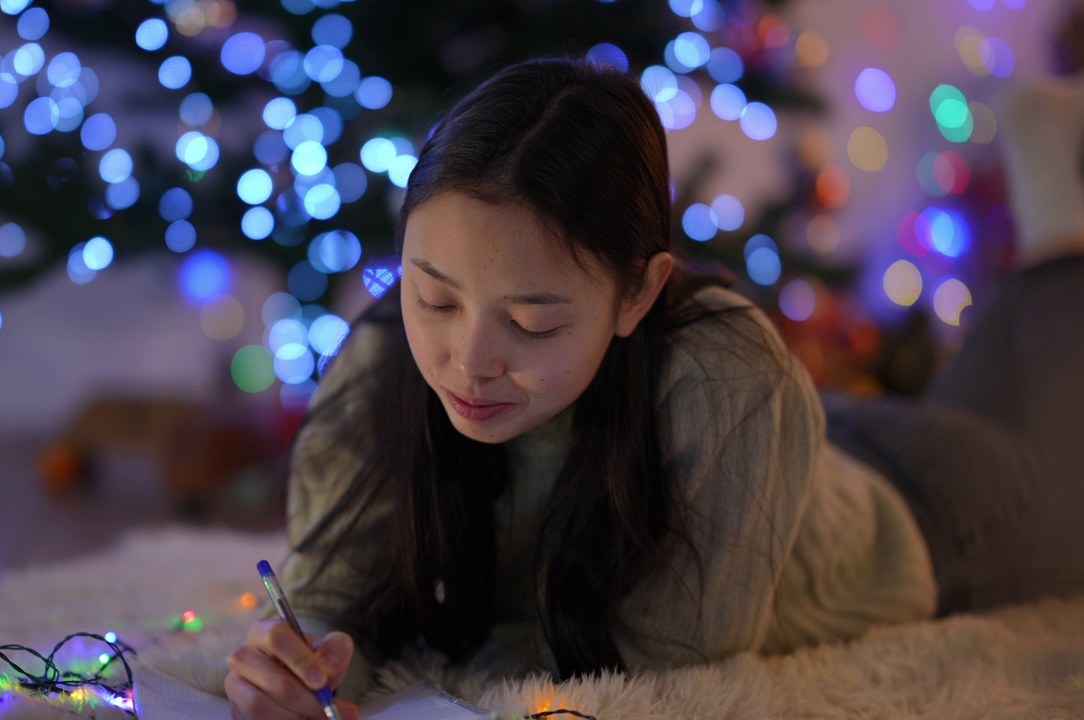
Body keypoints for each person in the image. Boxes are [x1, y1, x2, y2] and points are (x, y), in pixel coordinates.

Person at [223, 57, 1084, 720]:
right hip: (799, 445)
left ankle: (1058, 223)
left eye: (532, 324)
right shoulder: (379, 360)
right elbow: (335, 598)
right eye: (434, 296)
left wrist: (435, 641)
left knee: (1057, 439)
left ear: (638, 292)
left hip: (928, 509)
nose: (466, 359)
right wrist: (306, 662)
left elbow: (668, 663)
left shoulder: (730, 377)